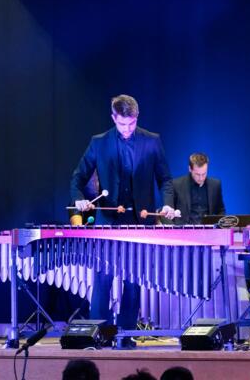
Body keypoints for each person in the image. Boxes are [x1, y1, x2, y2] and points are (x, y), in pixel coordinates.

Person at [70, 94, 176, 347]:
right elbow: (77, 179)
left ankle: (125, 337)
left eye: (131, 124)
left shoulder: (151, 141)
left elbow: (165, 179)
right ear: (113, 118)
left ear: (137, 117)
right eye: (122, 124)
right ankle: (98, 336)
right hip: (108, 222)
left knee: (133, 282)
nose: (127, 129)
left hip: (140, 223)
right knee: (102, 281)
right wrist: (79, 200)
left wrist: (167, 203)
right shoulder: (99, 143)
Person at [168, 153, 225, 225]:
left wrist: (219, 226)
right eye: (197, 174)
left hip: (208, 230)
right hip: (184, 230)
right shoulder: (177, 184)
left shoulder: (215, 185)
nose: (201, 178)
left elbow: (221, 211)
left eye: (204, 174)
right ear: (190, 169)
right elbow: (168, 212)